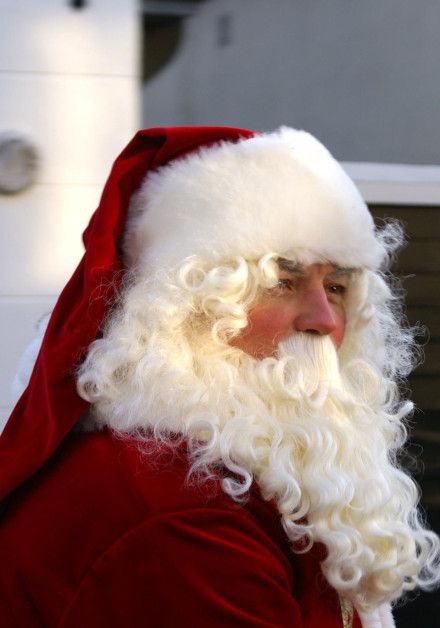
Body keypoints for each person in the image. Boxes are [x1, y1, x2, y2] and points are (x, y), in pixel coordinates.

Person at [0, 126, 439, 628]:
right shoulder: (177, 515)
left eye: (337, 286)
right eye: (282, 282)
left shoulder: (244, 481)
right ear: (181, 311)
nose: (324, 319)